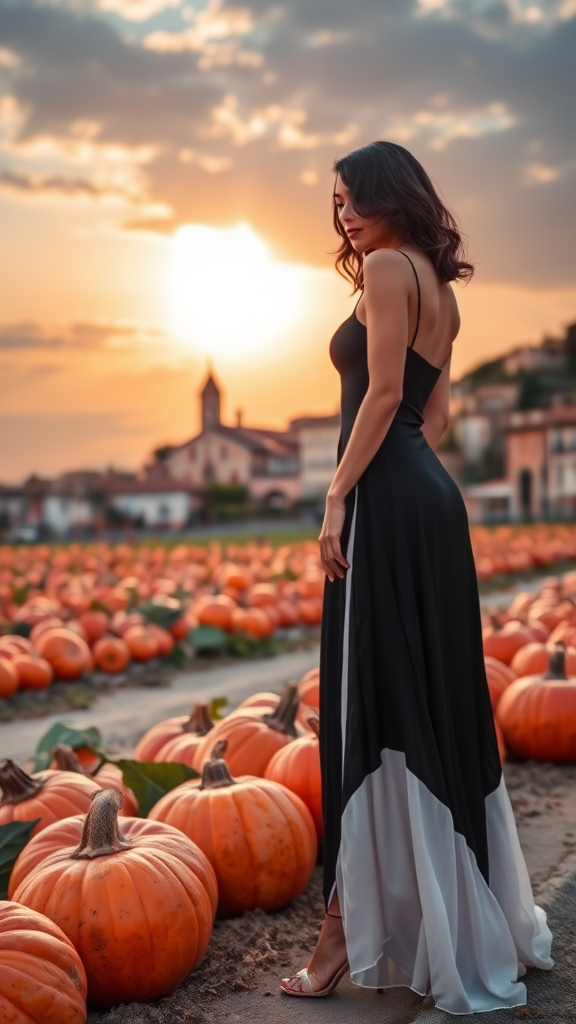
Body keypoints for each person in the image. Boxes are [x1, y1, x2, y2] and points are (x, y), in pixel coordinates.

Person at [280, 141, 553, 1014]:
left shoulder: (390, 270)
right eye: (337, 204)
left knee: (366, 710)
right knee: (430, 703)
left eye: (355, 197)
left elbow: (385, 393)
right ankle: (434, 921)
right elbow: (431, 417)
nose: (345, 215)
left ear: (393, 194)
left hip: (388, 502)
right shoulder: (443, 290)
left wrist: (337, 498)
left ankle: (339, 939)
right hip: (430, 500)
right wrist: (406, 485)